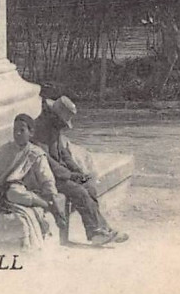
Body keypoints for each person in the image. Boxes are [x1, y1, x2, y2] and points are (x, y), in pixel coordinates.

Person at [33, 96, 128, 246]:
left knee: (89, 188)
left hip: (58, 175)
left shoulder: (53, 127)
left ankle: (102, 229)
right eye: (63, 122)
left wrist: (78, 171)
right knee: (79, 191)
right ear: (55, 116)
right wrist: (71, 175)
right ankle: (96, 232)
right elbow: (45, 161)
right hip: (44, 177)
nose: (63, 126)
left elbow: (63, 153)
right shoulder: (39, 129)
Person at [0, 114, 65, 251]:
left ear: (31, 133)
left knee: (15, 193)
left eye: (22, 130)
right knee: (13, 192)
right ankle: (45, 205)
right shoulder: (5, 150)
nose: (17, 134)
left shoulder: (35, 153)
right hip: (8, 193)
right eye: (15, 130)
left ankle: (46, 204)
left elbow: (47, 178)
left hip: (31, 193)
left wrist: (51, 196)